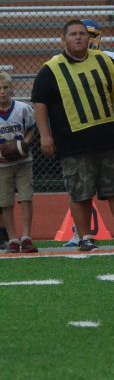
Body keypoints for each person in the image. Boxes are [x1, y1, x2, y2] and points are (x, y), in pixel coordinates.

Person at [31, 20, 114, 252]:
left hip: (109, 139)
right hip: (73, 144)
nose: (78, 38)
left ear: (89, 38)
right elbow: (40, 103)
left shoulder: (105, 61)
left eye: (82, 34)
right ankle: (85, 237)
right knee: (80, 193)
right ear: (63, 39)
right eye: (73, 34)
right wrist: (45, 135)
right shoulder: (51, 69)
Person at [0, 73, 36, 254]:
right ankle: (12, 238)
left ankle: (26, 237)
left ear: (11, 88)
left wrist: (24, 145)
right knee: (5, 201)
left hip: (24, 162)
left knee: (26, 198)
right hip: (2, 165)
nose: (2, 91)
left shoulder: (22, 108)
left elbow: (31, 129)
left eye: (5, 87)